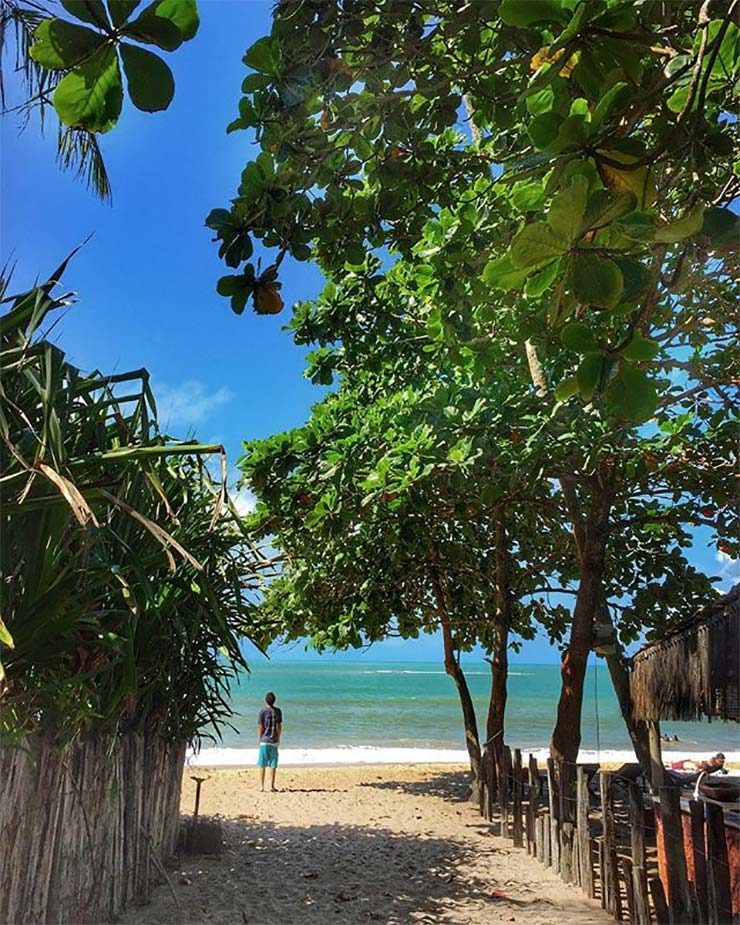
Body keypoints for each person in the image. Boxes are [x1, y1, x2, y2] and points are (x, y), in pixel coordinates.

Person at [257, 691, 283, 792]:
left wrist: (260, 738)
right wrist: (279, 736)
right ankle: (271, 786)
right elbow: (278, 726)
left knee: (262, 764)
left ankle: (261, 786)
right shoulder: (278, 711)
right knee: (273, 764)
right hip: (274, 740)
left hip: (264, 739)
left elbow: (261, 727)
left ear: (266, 700)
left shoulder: (262, 711)